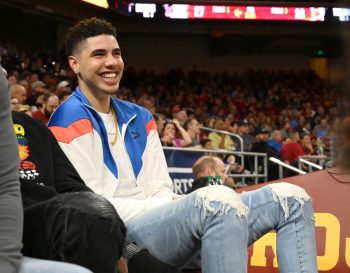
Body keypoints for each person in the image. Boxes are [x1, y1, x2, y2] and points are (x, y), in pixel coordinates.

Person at [49, 17, 318, 273]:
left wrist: (177, 206)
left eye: (116, 53)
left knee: (292, 197)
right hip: (120, 236)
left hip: (163, 223)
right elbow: (94, 208)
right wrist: (180, 206)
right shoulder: (67, 119)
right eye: (99, 54)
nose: (112, 62)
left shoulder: (140, 116)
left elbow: (161, 188)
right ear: (74, 64)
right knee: (217, 199)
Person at [13, 110, 181, 273]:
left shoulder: (29, 124)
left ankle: (127, 250)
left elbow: (73, 186)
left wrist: (122, 244)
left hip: (57, 220)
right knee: (87, 221)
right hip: (16, 221)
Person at [0, 65, 91, 273]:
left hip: (52, 218)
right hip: (21, 226)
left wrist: (105, 215)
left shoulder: (33, 126)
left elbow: (72, 184)